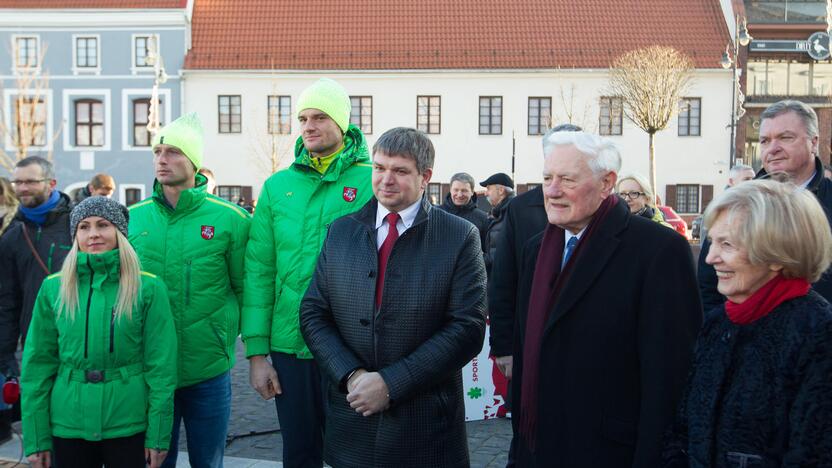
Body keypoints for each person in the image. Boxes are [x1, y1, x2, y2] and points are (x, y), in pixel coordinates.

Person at [512, 130, 702, 466]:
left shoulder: (659, 250)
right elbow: (527, 352)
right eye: (546, 178)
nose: (552, 190)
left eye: (567, 179)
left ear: (606, 183)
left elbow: (668, 378)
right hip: (539, 448)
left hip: (609, 452)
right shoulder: (536, 251)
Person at [300, 127, 486, 467]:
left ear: (425, 177)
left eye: (399, 171)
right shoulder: (341, 232)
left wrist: (391, 383)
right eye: (379, 167)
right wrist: (351, 375)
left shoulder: (459, 236)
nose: (386, 179)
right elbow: (313, 313)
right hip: (351, 420)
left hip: (425, 427)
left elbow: (467, 328)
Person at [243, 77, 373, 468]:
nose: (309, 126)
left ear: (344, 124)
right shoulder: (277, 186)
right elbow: (260, 271)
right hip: (290, 345)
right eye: (302, 118)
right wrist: (256, 353)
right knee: (299, 454)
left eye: (319, 117)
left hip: (351, 345)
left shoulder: (371, 180)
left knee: (355, 454)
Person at [664, 180, 832, 465]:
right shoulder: (719, 323)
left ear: (777, 255)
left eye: (727, 244)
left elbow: (813, 454)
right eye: (713, 241)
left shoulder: (819, 333)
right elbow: (682, 429)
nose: (710, 258)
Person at [128, 112, 251, 468]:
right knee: (155, 460)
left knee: (207, 462)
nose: (162, 160)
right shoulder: (133, 218)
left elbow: (245, 287)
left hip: (207, 368)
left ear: (194, 162)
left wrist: (225, 334)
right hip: (150, 368)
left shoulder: (231, 219)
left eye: (173, 152)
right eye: (158, 151)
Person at [21, 196, 177, 468]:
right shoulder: (53, 288)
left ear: (119, 232)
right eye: (84, 227)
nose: (93, 234)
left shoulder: (148, 288)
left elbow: (161, 368)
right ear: (75, 235)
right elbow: (37, 367)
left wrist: (158, 434)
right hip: (68, 422)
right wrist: (37, 437)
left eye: (103, 225)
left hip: (127, 421)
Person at [488, 123, 580, 466]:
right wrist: (504, 347)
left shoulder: (596, 207)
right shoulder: (521, 208)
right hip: (530, 338)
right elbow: (503, 280)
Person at [698, 100, 832, 314]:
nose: (773, 148)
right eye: (765, 141)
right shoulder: (736, 202)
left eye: (785, 138)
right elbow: (707, 282)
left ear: (813, 142)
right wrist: (724, 329)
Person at [0, 157, 72, 392]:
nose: (22, 188)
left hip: (81, 337)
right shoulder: (12, 236)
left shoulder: (79, 225)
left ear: (51, 183)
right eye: (17, 182)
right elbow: (7, 301)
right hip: (34, 342)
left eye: (30, 181)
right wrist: (6, 357)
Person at [438, 172, 488, 245]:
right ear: (450, 190)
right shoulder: (436, 214)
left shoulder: (483, 218)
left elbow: (488, 251)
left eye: (464, 190)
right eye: (456, 190)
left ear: (472, 192)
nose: (460, 194)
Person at [480, 172, 515, 274]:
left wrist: (478, 257)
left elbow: (498, 258)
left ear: (501, 190)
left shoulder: (509, 213)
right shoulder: (501, 212)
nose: (486, 193)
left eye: (488, 188)